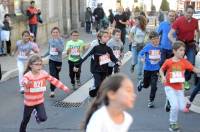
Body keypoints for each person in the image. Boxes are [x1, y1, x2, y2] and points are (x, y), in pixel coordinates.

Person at [19, 55, 70, 132]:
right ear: (30, 65)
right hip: (29, 102)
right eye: (36, 64)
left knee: (43, 118)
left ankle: (36, 112)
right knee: (25, 119)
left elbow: (53, 80)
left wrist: (64, 87)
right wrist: (26, 83)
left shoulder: (43, 73)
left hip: (39, 101)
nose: (39, 66)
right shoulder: (28, 75)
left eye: (40, 64)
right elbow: (24, 81)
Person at [159, 41, 200, 132]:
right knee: (175, 106)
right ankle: (173, 123)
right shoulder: (168, 61)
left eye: (184, 50)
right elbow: (161, 69)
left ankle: (169, 101)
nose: (183, 52)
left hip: (179, 88)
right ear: (174, 51)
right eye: (180, 50)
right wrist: (162, 77)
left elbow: (194, 69)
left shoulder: (185, 62)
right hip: (169, 86)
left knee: (182, 107)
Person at [78, 30, 121, 97]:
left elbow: (113, 57)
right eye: (104, 37)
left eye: (107, 37)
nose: (107, 38)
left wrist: (117, 61)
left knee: (102, 85)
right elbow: (85, 56)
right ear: (99, 38)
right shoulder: (95, 47)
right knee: (98, 84)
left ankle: (95, 91)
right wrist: (77, 65)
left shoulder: (108, 48)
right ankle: (98, 94)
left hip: (104, 70)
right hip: (95, 69)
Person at [168, 5, 200, 90]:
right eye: (188, 12)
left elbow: (197, 31)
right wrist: (175, 43)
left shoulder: (195, 21)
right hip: (180, 44)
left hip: (190, 44)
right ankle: (176, 81)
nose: (190, 14)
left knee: (191, 63)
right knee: (177, 62)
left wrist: (196, 42)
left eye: (192, 13)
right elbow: (170, 35)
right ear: (185, 12)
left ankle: (185, 80)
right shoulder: (178, 21)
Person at [137, 31, 161, 108]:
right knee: (146, 85)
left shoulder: (160, 47)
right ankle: (142, 83)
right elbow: (140, 53)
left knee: (154, 86)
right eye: (154, 39)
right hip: (147, 69)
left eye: (157, 38)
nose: (156, 40)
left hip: (156, 69)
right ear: (151, 40)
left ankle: (151, 100)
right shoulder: (148, 47)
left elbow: (163, 56)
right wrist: (142, 58)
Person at [43, 27, 64, 97]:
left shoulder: (61, 40)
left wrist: (57, 41)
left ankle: (56, 81)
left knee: (56, 75)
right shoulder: (50, 41)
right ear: (51, 33)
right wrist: (43, 56)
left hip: (58, 61)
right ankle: (52, 91)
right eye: (54, 32)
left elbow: (61, 50)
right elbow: (49, 50)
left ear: (59, 33)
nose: (55, 34)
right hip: (51, 60)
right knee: (52, 75)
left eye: (56, 32)